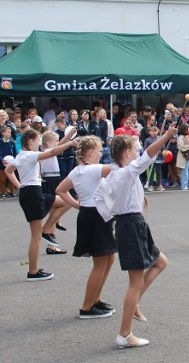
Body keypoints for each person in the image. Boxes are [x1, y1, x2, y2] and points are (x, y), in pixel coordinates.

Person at [93, 122, 178, 349]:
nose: (139, 151)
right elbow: (149, 154)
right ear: (126, 153)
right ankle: (124, 334)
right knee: (134, 282)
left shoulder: (115, 175)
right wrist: (167, 134)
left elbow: (102, 204)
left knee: (160, 262)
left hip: (131, 224)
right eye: (135, 148)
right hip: (131, 225)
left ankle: (135, 303)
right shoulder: (126, 172)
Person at [4, 128, 77, 281]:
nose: (39, 144)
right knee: (35, 237)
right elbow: (51, 152)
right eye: (38, 141)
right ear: (30, 142)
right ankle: (33, 271)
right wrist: (70, 143)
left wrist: (20, 186)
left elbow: (8, 170)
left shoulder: (21, 156)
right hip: (33, 193)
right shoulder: (30, 155)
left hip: (29, 192)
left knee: (64, 202)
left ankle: (47, 229)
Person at [56, 136, 117, 319]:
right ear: (90, 152)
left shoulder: (77, 171)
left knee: (109, 258)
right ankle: (86, 307)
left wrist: (77, 205)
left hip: (92, 214)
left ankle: (95, 300)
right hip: (95, 216)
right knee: (100, 263)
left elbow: (60, 189)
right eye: (99, 151)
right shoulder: (93, 169)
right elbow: (118, 168)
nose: (101, 154)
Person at [176, 123, 189, 190]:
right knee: (184, 171)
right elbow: (181, 147)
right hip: (183, 157)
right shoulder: (180, 137)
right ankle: (184, 185)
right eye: (188, 128)